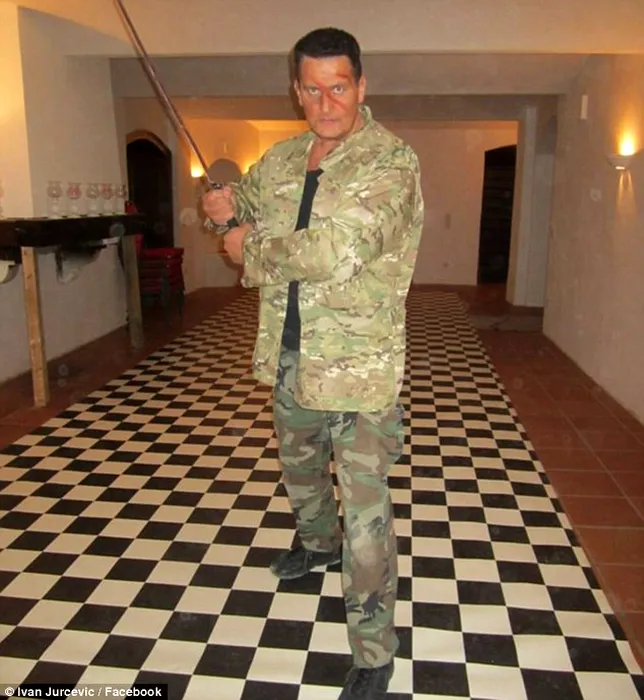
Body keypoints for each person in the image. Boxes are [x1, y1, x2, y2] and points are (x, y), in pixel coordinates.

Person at [202, 27, 424, 700]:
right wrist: (221, 207)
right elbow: (242, 209)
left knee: (366, 516)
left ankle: (375, 651)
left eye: (339, 86)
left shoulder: (392, 163)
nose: (327, 102)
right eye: (313, 88)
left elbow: (334, 252)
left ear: (361, 86)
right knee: (300, 468)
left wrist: (246, 249)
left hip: (358, 368)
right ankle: (315, 544)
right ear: (296, 91)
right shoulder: (281, 159)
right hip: (289, 353)